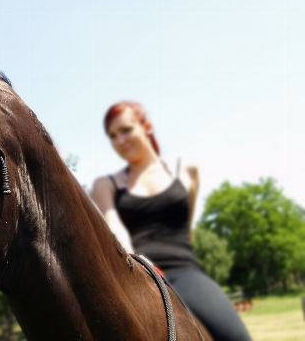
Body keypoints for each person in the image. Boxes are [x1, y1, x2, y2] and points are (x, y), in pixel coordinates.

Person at [92, 101, 251, 341]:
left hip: (186, 273)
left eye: (126, 130)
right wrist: (136, 264)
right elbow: (115, 227)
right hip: (139, 274)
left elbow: (186, 229)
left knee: (236, 337)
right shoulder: (106, 185)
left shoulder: (186, 170)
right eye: (113, 136)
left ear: (146, 126)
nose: (120, 141)